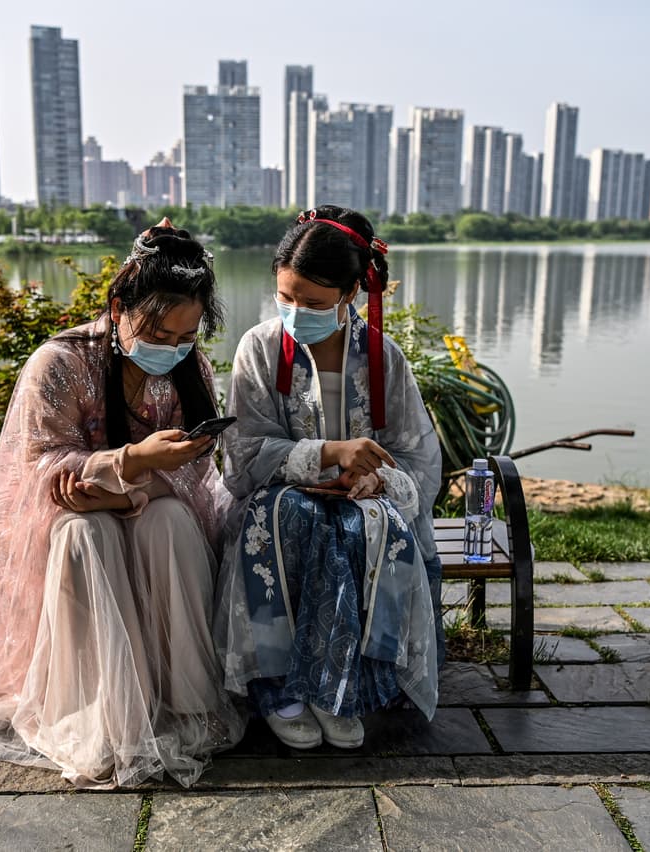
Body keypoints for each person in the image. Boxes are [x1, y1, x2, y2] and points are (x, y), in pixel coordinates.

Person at [0, 219, 245, 788]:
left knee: (171, 521)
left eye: (186, 338)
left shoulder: (190, 369)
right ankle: (103, 713)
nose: (173, 350)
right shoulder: (59, 363)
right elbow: (40, 467)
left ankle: (186, 700)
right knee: (86, 532)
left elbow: (196, 473)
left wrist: (129, 485)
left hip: (151, 506)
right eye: (160, 335)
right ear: (119, 307)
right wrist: (130, 462)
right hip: (69, 523)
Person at [214, 205, 444, 750]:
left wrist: (373, 482)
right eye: (286, 298)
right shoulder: (259, 349)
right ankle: (278, 690)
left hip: (365, 496)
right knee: (290, 517)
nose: (297, 313)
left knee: (364, 526)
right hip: (278, 495)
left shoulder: (384, 358)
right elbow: (243, 456)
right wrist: (328, 454)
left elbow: (417, 458)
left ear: (351, 294)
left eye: (315, 304)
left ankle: (341, 689)